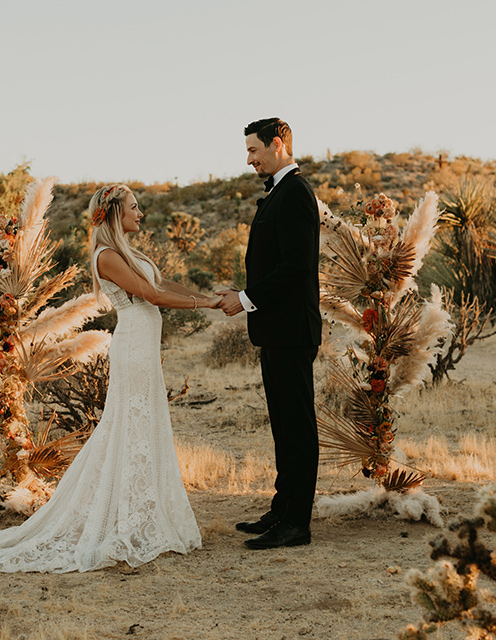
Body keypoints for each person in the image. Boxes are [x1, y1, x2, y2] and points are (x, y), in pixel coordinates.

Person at [0, 184, 218, 573]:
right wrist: (207, 303)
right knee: (129, 425)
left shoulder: (132, 253)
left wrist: (213, 298)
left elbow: (164, 285)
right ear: (115, 213)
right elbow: (151, 295)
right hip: (133, 345)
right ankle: (118, 515)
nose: (141, 213)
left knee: (145, 424)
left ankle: (141, 511)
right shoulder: (108, 256)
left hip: (145, 344)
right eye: (135, 207)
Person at [217, 118, 323, 550]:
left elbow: (296, 267)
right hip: (277, 330)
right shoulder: (279, 193)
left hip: (291, 331)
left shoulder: (296, 193)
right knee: (283, 424)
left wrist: (244, 298)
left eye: (253, 150)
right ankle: (282, 509)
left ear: (277, 145)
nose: (249, 158)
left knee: (296, 425)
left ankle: (296, 523)